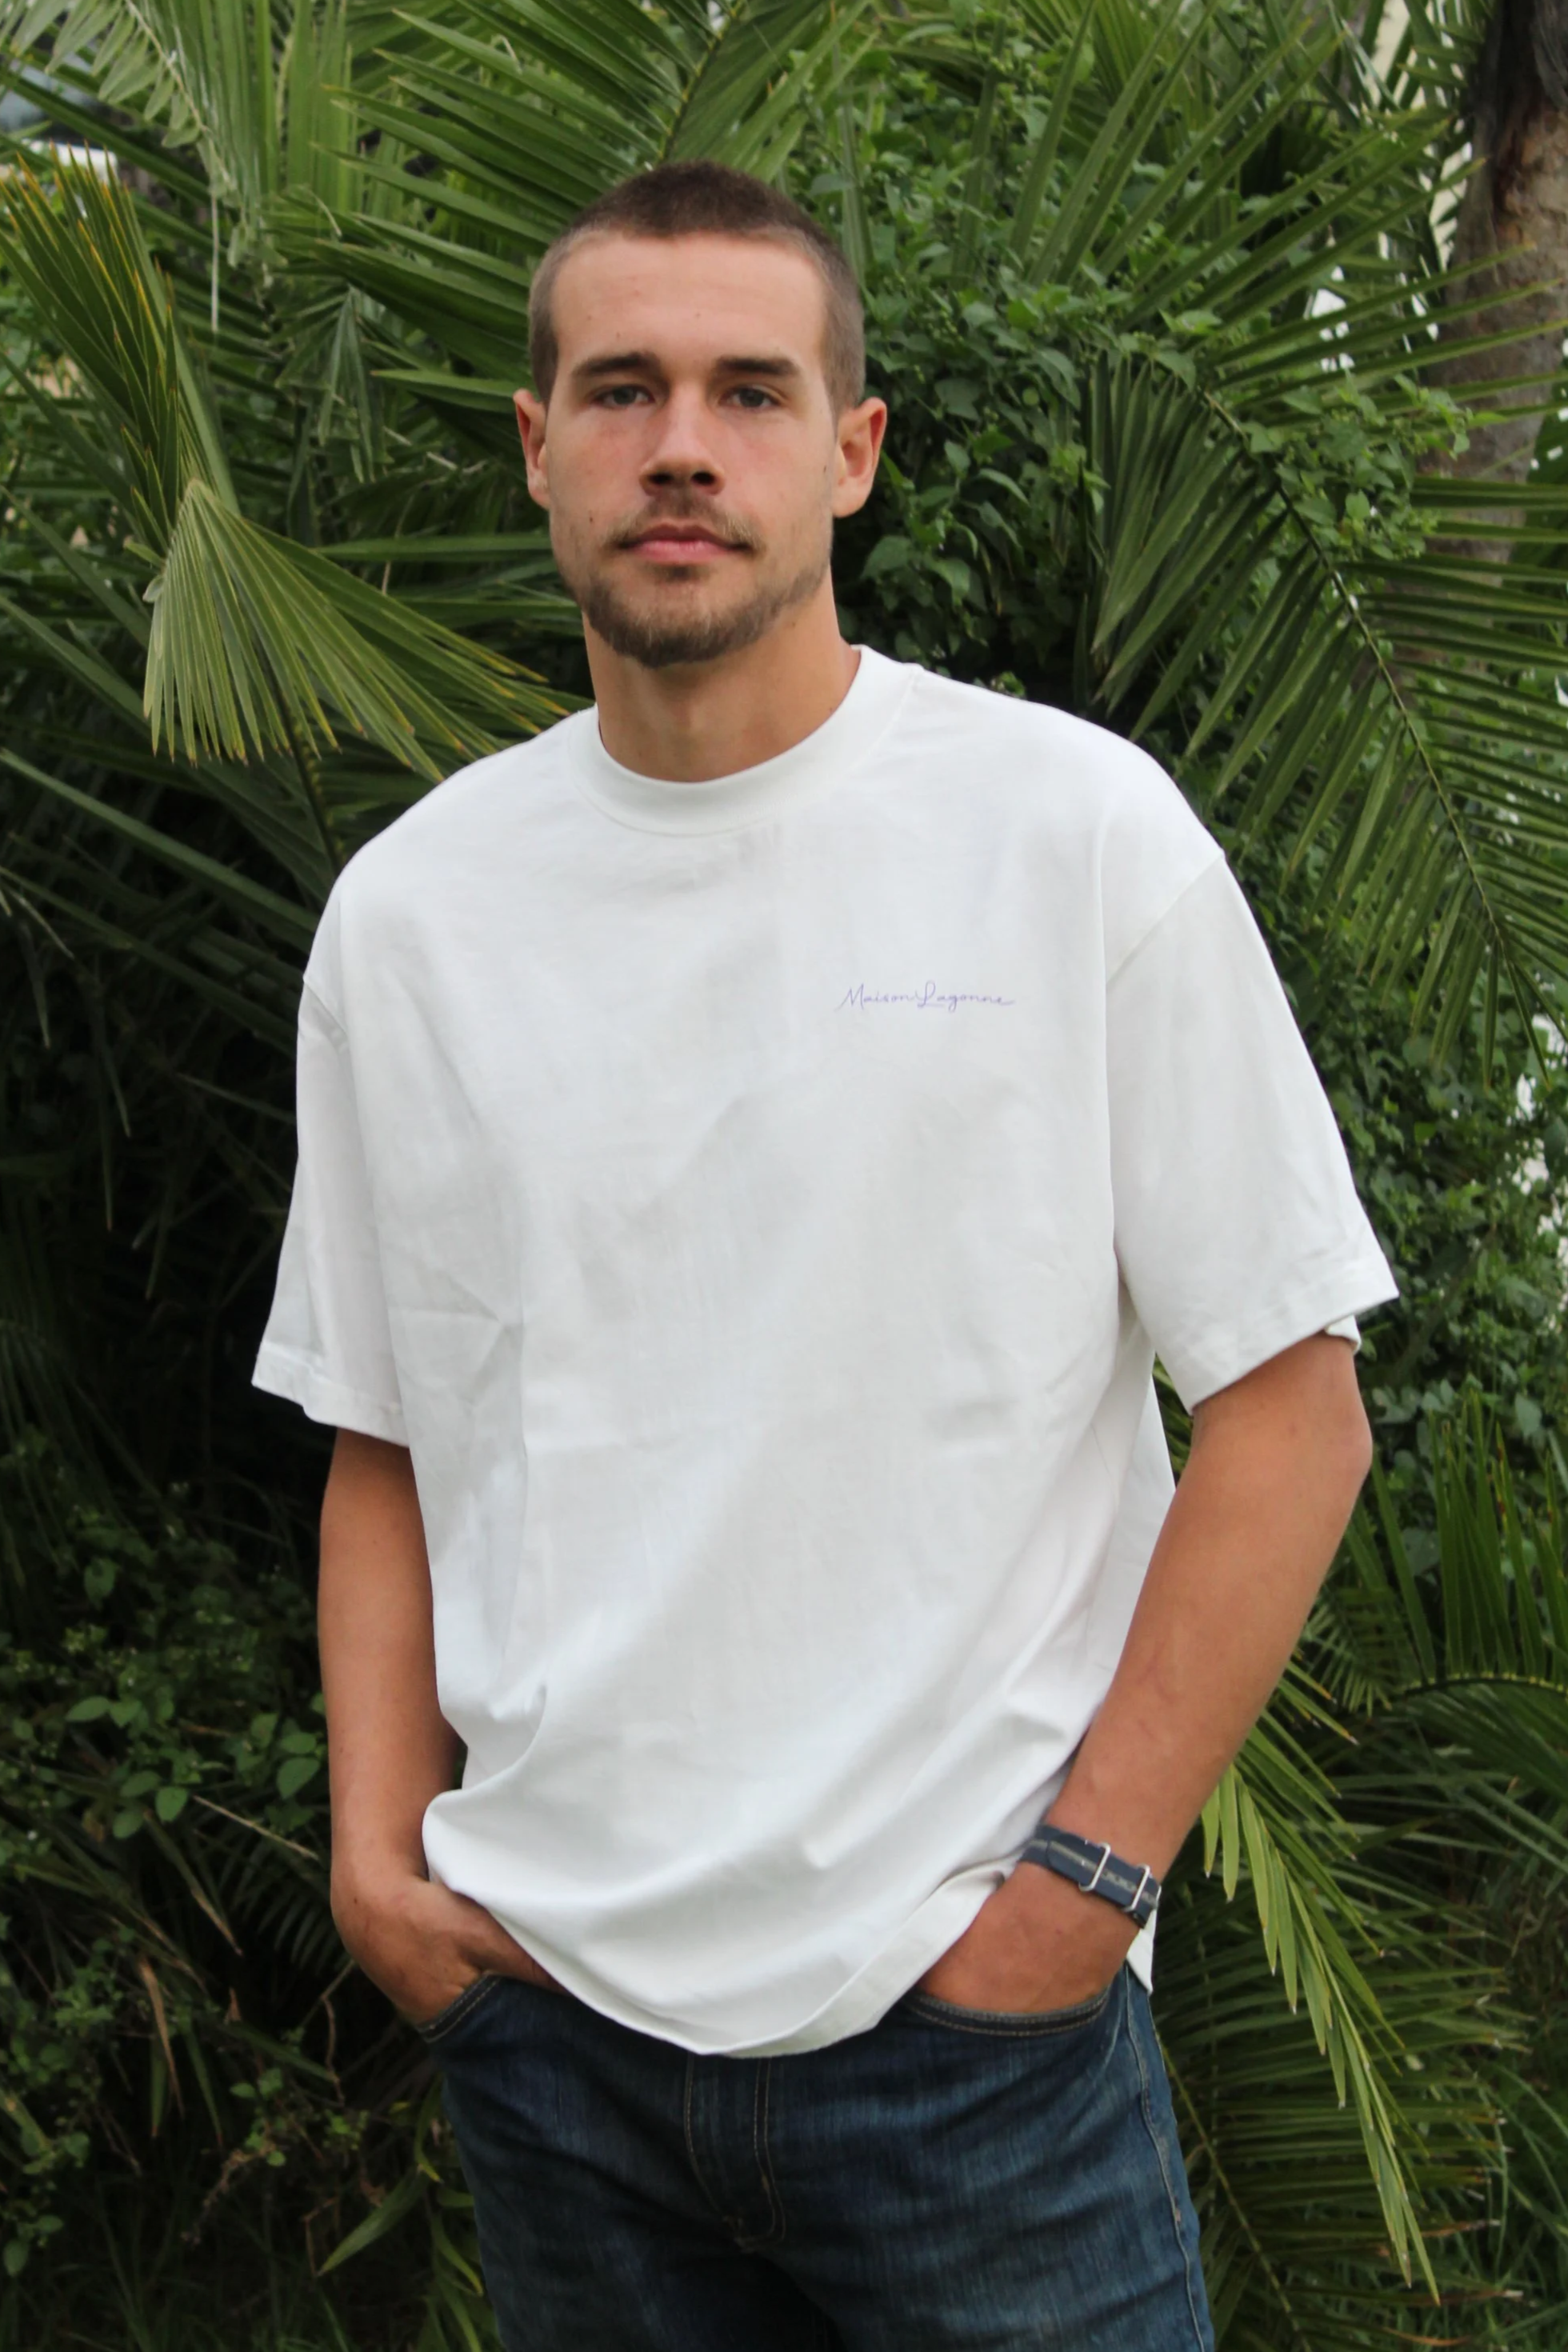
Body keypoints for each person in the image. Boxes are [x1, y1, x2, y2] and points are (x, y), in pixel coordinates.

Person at [254, 160, 1395, 2352]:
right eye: (622, 387)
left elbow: (1292, 1406)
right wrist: (378, 1861)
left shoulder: (1069, 840)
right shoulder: (414, 917)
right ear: (537, 443)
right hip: (553, 2027)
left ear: (851, 454)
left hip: (978, 2046)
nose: (684, 442)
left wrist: (1082, 1890)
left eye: (752, 389)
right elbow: (381, 1435)